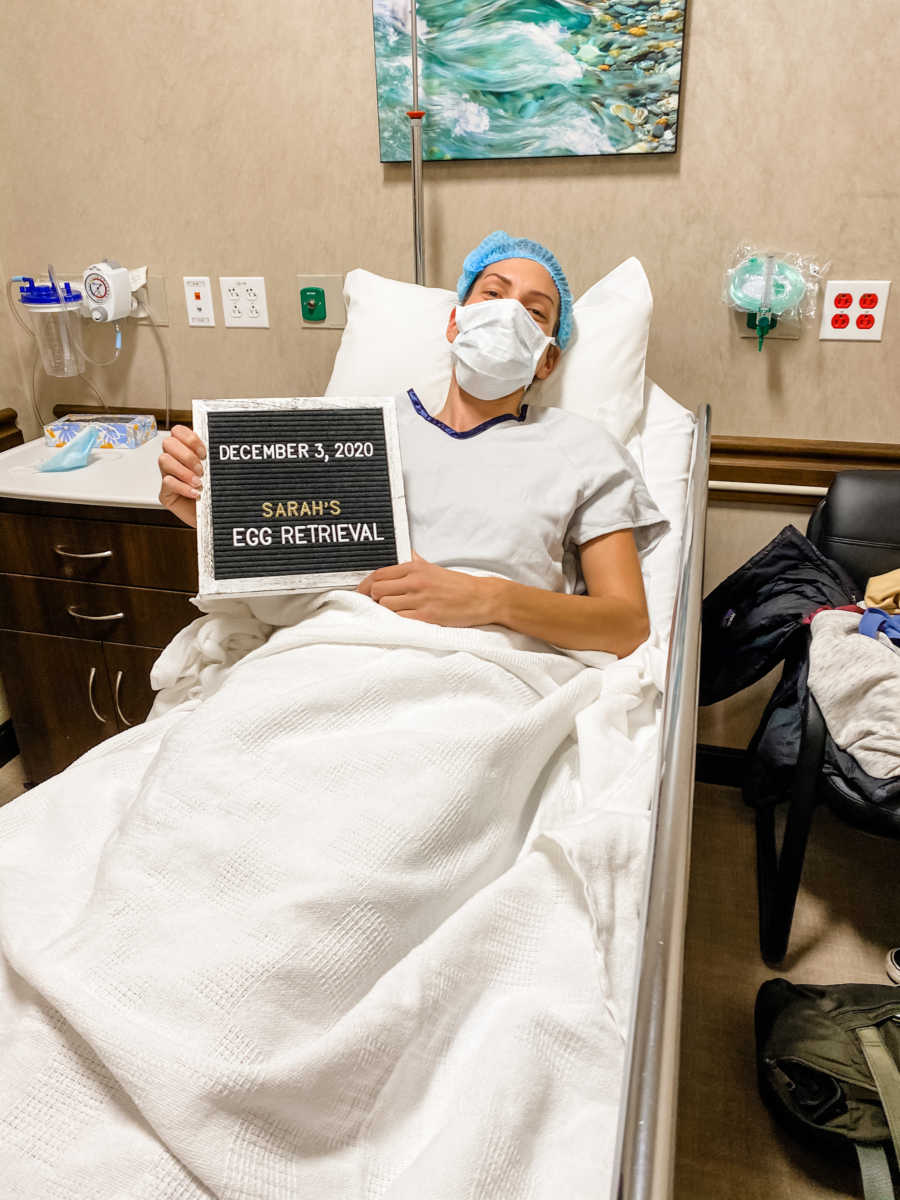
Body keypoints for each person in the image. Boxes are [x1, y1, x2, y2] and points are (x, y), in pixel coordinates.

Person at [158, 232, 667, 657]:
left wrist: (489, 600)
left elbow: (626, 624)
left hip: (485, 670)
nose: (509, 314)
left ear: (547, 362)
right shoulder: (354, 433)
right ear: (454, 322)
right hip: (335, 651)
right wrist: (214, 519)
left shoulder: (582, 449)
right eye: (493, 295)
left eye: (535, 313)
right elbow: (297, 570)